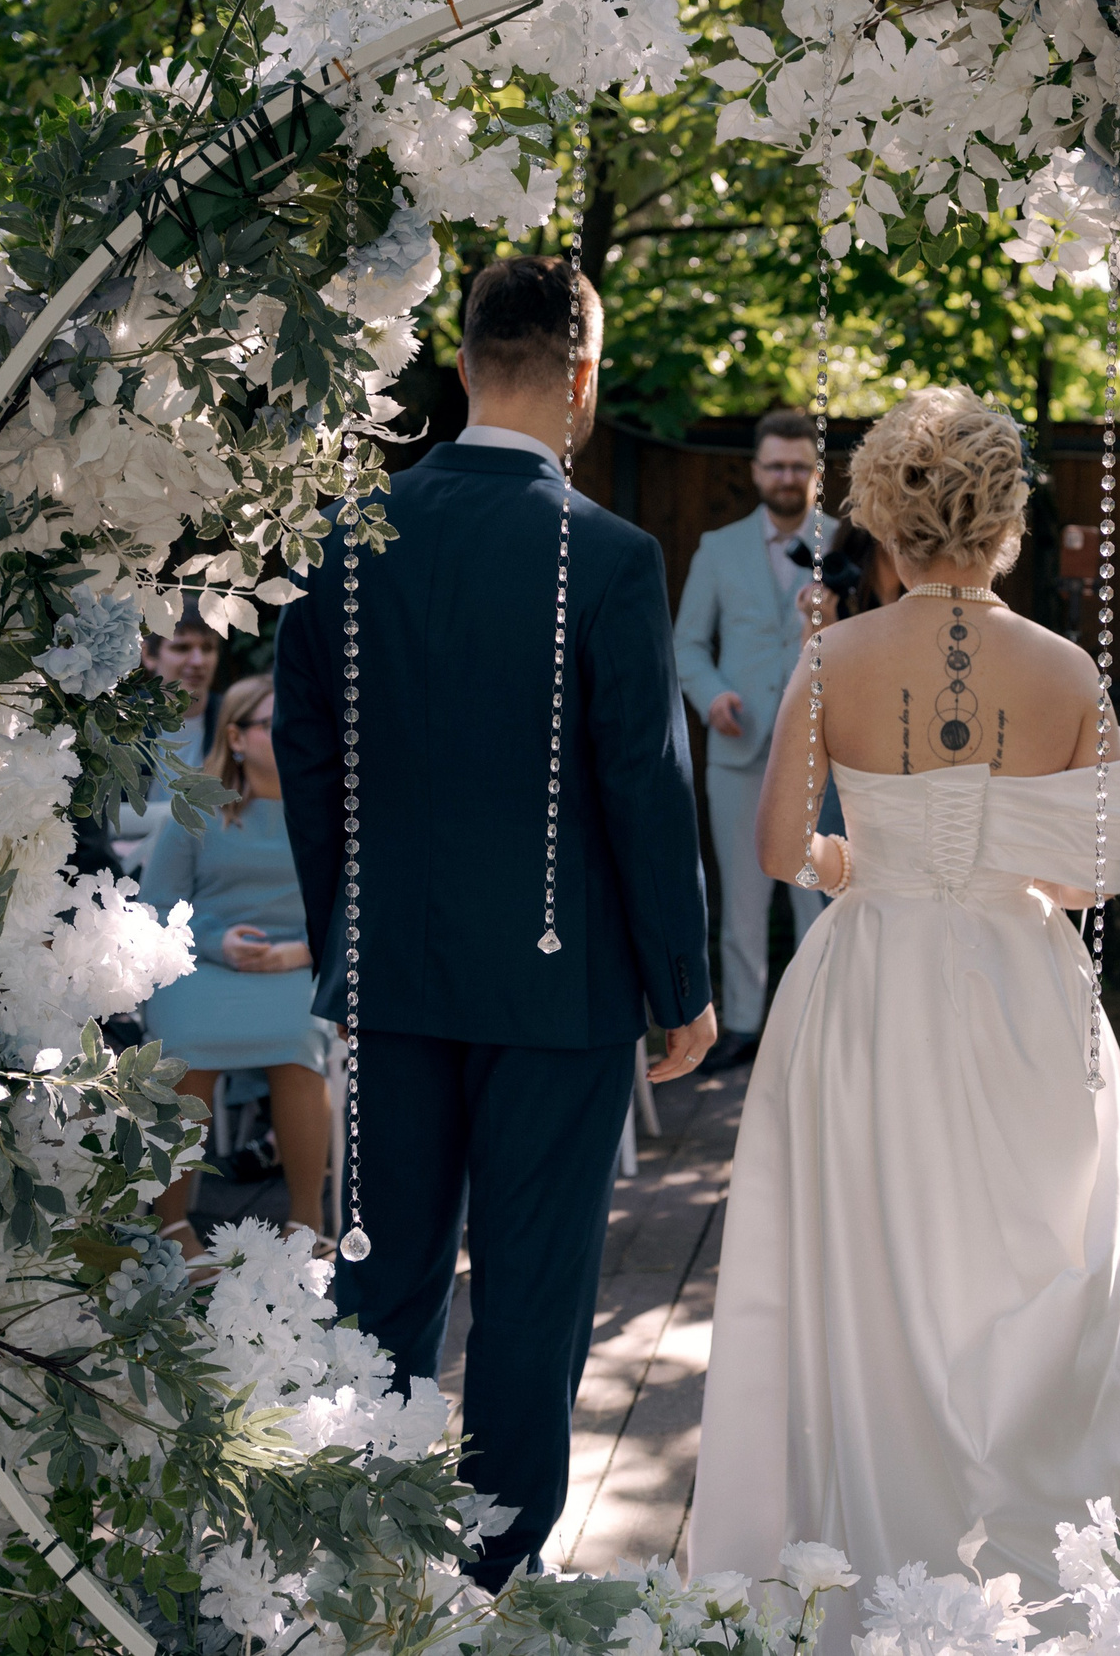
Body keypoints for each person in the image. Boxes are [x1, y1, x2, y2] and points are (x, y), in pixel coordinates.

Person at [692, 388, 1120, 1633]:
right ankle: (1049, 1565)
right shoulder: (1069, 671)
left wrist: (861, 867)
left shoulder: (833, 656)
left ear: (880, 521)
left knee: (873, 1260)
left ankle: (882, 1549)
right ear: (1006, 520)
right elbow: (1083, 877)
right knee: (1043, 1261)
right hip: (1025, 986)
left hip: (871, 991)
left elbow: (774, 847)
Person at [273, 255, 715, 1592]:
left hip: (395, 966)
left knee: (384, 1269)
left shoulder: (352, 537)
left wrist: (344, 925)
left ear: (462, 368)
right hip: (561, 981)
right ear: (583, 381)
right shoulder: (616, 556)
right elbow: (642, 777)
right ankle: (483, 1571)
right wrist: (680, 984)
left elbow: (307, 750)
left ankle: (355, 1543)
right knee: (528, 1287)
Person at [137, 677, 335, 1254]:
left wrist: (298, 953)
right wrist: (220, 944)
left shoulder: (329, 816)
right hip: (202, 966)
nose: (291, 736)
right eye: (272, 725)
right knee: (185, 1043)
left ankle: (305, 1223)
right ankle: (172, 1225)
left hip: (297, 969)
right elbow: (156, 908)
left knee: (300, 1041)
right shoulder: (194, 813)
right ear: (236, 737)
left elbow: (355, 910)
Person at [673, 409, 837, 1069]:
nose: (787, 476)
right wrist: (712, 696)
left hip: (822, 757)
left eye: (799, 465)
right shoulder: (719, 547)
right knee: (741, 897)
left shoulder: (846, 543)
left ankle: (815, 1026)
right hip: (738, 754)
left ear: (814, 473)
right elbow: (686, 642)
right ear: (756, 470)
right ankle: (741, 1024)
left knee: (818, 899)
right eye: (776, 464)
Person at [114, 612, 226, 869]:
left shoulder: (233, 722)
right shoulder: (118, 721)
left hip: (210, 864)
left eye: (207, 648)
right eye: (182, 647)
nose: (198, 661)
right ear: (149, 655)